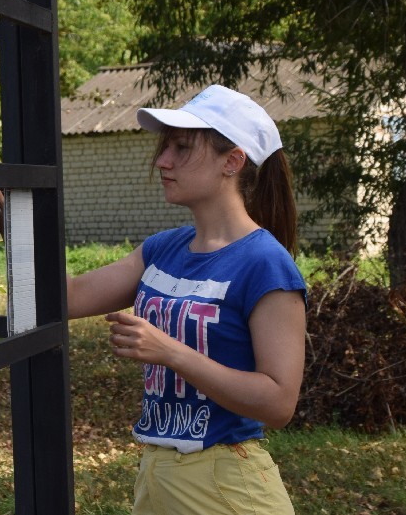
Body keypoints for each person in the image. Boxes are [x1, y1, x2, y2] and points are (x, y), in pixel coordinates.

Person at [66, 84, 306, 514]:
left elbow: (279, 402)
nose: (162, 160)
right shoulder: (163, 249)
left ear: (232, 162)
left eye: (181, 147)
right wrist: (13, 213)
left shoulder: (264, 263)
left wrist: (171, 353)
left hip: (228, 487)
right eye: (165, 147)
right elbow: (66, 297)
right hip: (158, 478)